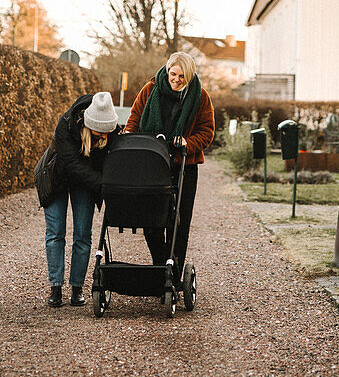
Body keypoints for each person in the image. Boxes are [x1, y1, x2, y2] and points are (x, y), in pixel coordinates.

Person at [123, 51, 215, 279]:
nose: (176, 79)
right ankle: (159, 266)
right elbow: (134, 118)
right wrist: (128, 138)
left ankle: (173, 273)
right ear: (167, 71)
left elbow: (207, 131)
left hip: (184, 164)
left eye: (182, 76)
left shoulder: (200, 97)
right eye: (173, 74)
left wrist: (188, 142)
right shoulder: (150, 90)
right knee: (151, 219)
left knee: (180, 222)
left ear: (190, 76)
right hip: (152, 163)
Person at [43, 91, 118, 308]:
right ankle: (55, 287)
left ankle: (77, 288)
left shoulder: (110, 130)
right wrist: (101, 184)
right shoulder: (67, 124)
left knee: (83, 235)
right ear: (88, 124)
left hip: (85, 182)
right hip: (57, 176)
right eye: (98, 132)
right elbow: (70, 164)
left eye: (107, 133)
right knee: (55, 232)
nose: (103, 137)